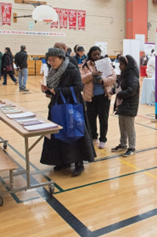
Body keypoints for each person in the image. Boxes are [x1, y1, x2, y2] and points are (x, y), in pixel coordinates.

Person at [40, 47, 96, 177]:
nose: (51, 63)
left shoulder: (72, 69)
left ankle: (78, 163)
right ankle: (63, 161)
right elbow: (53, 88)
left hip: (72, 105)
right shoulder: (53, 70)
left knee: (74, 133)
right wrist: (47, 90)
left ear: (61, 58)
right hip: (57, 105)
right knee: (57, 133)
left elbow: (78, 87)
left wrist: (59, 91)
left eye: (53, 60)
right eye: (49, 60)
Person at [80, 46, 117, 149]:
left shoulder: (106, 63)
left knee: (103, 118)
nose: (96, 56)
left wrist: (102, 81)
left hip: (104, 96)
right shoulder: (85, 66)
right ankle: (93, 136)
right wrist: (92, 74)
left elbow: (113, 77)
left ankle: (103, 139)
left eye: (98, 54)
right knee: (91, 118)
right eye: (94, 55)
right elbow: (81, 79)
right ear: (90, 55)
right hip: (90, 97)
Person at [111, 55, 140, 157]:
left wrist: (119, 94)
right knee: (122, 125)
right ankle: (123, 144)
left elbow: (131, 90)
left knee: (129, 127)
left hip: (129, 105)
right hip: (122, 104)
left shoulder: (132, 76)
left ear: (127, 65)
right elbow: (119, 87)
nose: (119, 66)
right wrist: (113, 90)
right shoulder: (124, 74)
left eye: (121, 64)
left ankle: (132, 147)